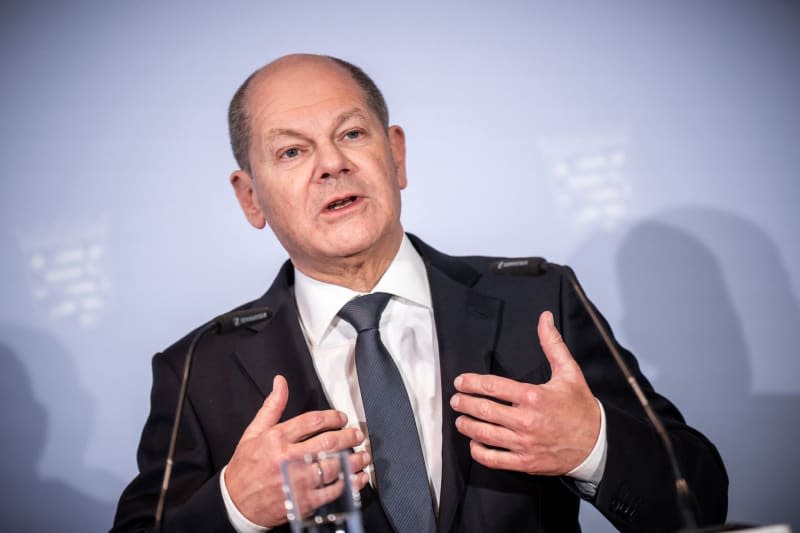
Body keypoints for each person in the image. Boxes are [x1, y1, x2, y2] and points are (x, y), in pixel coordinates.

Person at [111, 54, 728, 533]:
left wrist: (592, 446)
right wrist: (236, 507)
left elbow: (699, 498)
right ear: (251, 198)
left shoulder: (537, 304)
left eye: (351, 134)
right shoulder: (202, 367)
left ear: (395, 155)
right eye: (293, 150)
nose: (332, 164)